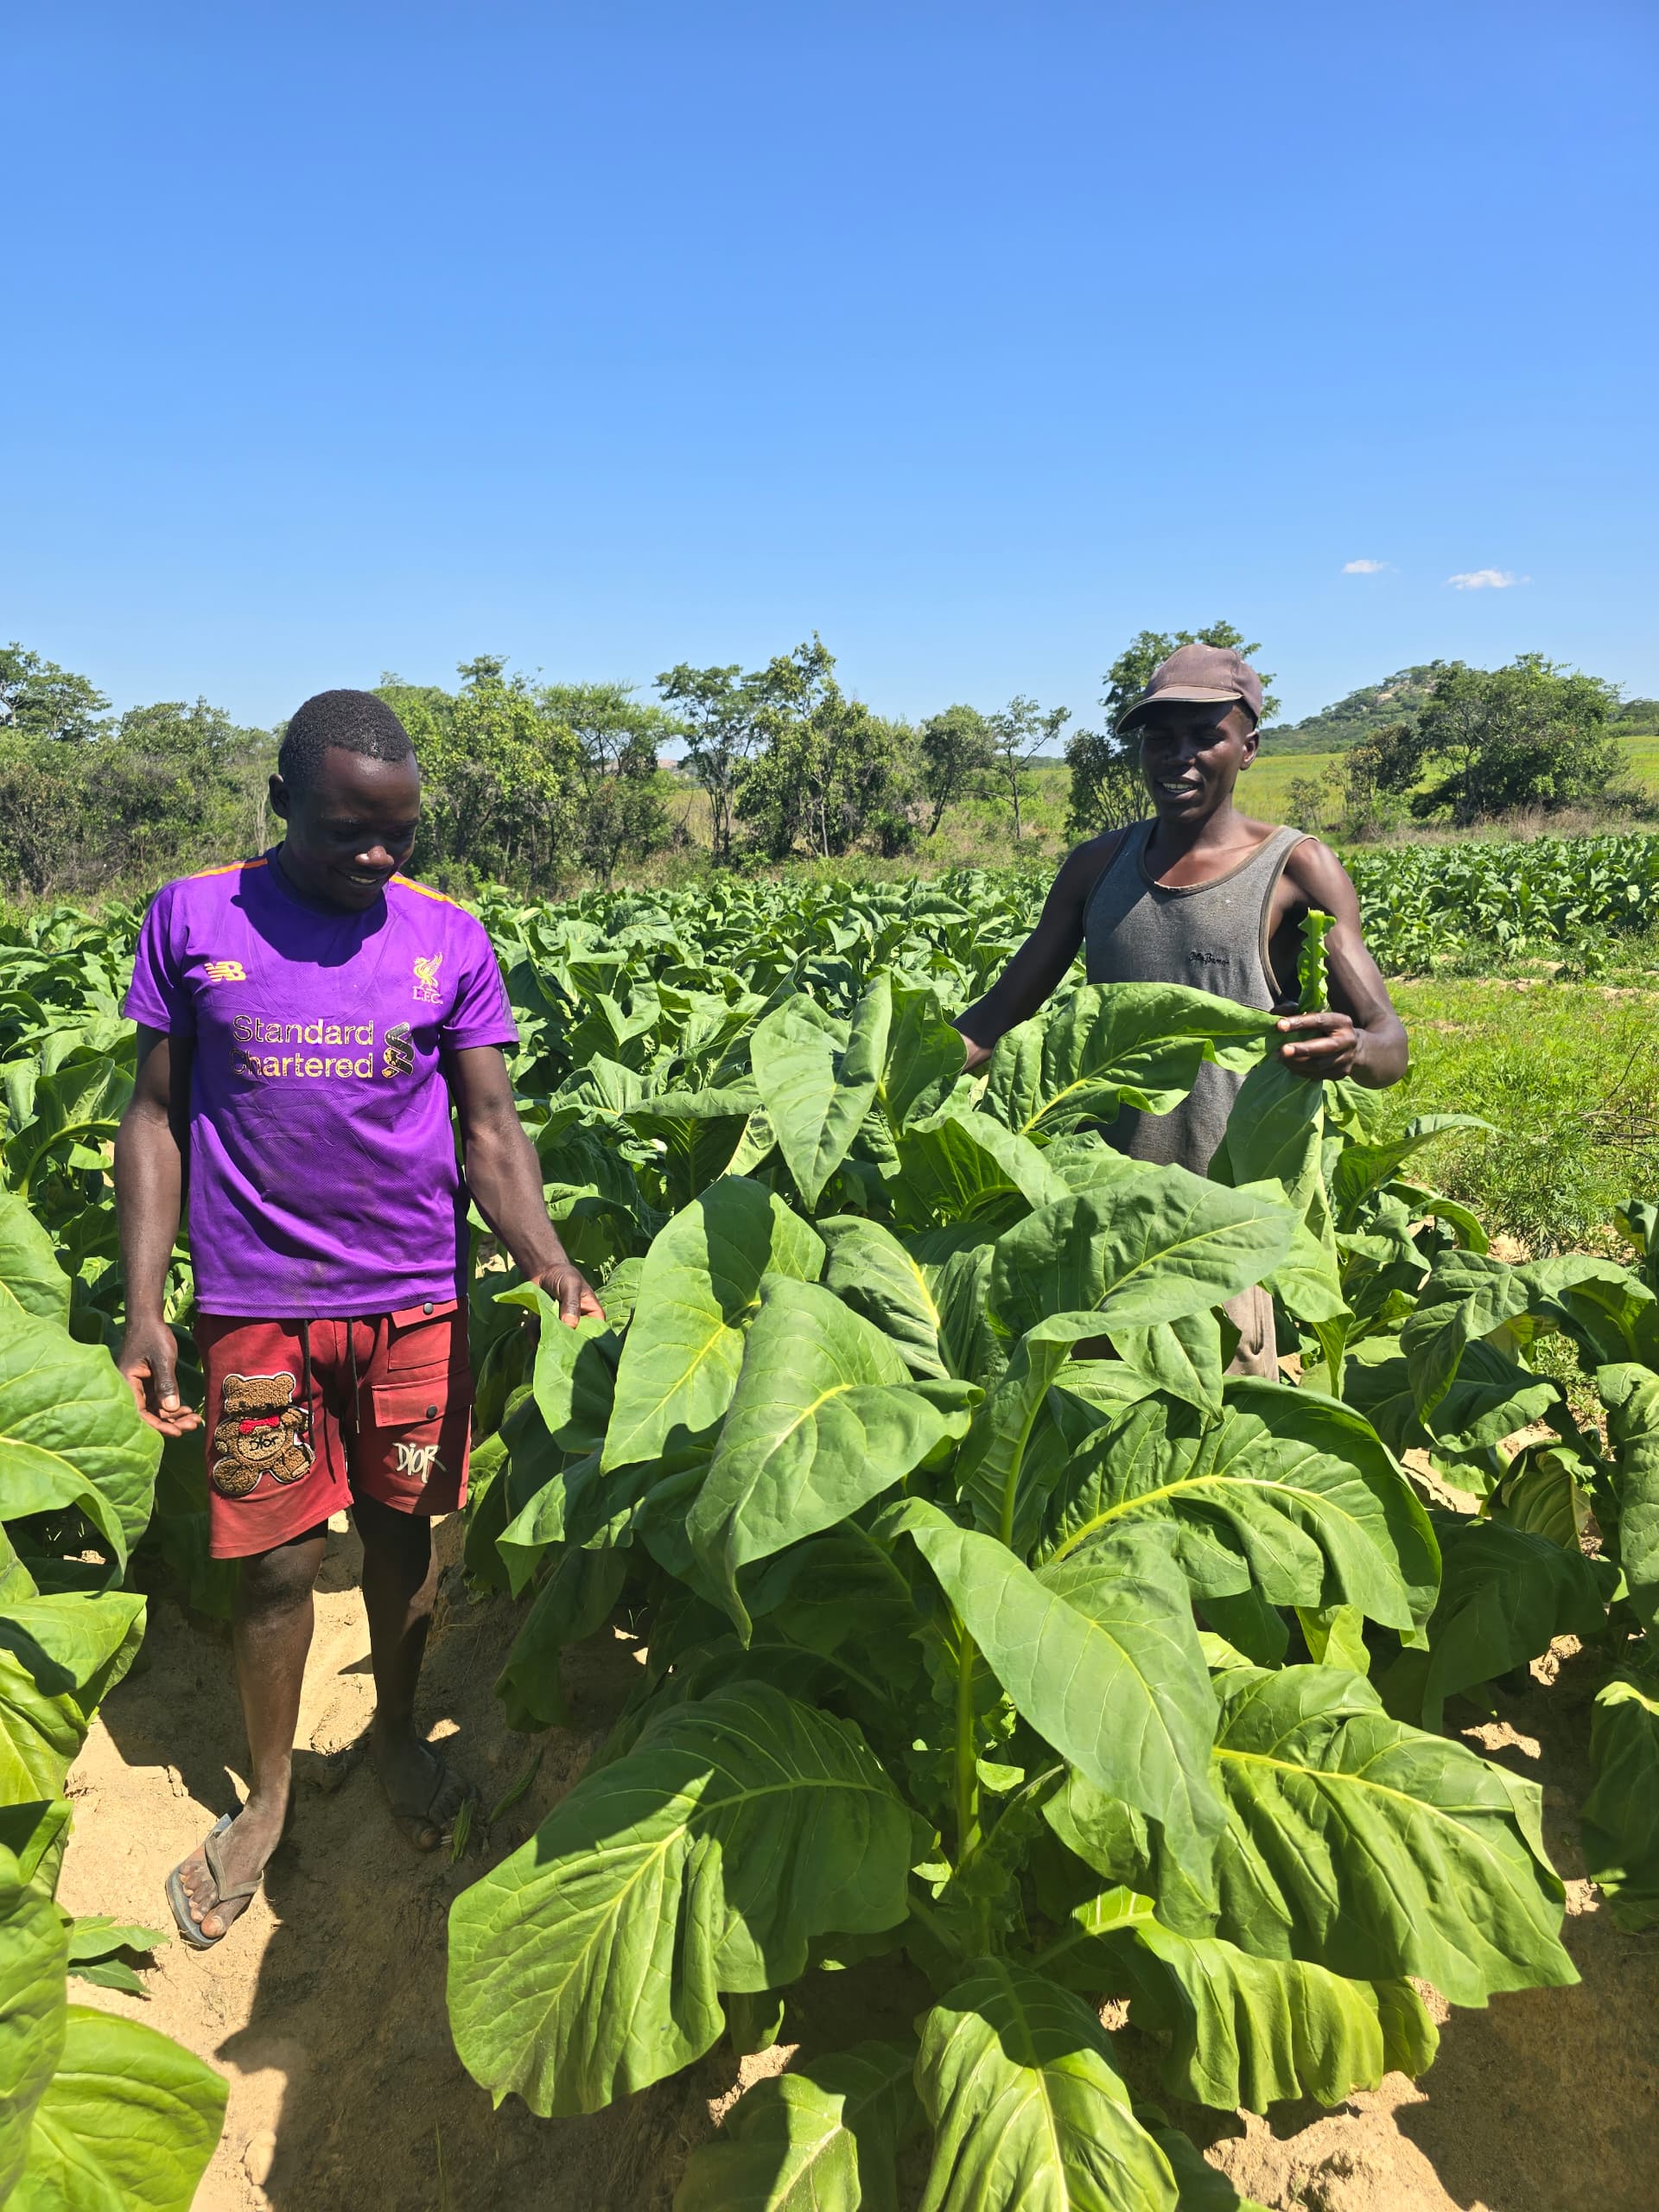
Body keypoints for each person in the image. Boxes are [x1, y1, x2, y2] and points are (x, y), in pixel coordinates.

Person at [116, 689, 602, 1948]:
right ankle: (269, 1795)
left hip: (413, 1301)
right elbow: (156, 1119)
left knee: (406, 1536)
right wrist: (144, 1306)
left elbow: (490, 1131)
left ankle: (393, 1733)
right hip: (253, 1306)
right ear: (281, 806)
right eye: (346, 832)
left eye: (398, 834)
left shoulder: (447, 940)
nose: (377, 858)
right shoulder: (194, 916)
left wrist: (545, 1260)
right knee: (276, 1560)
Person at [954, 642, 1408, 1375]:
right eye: (1160, 737)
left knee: (1212, 1437)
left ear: (1248, 747)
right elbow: (995, 1015)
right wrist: (904, 1066)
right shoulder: (1096, 866)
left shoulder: (1296, 867)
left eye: (1206, 735)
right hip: (1093, 1215)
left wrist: (1352, 1047)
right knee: (1080, 1429)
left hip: (1216, 1228)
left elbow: (1391, 1043)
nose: (1180, 756)